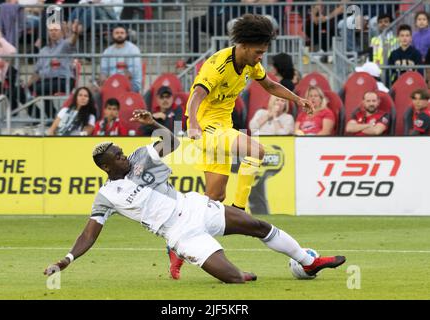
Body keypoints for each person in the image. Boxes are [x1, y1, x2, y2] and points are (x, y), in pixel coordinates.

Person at [43, 109, 346, 284]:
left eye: (122, 153)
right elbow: (89, 234)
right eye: (118, 157)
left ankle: (308, 261)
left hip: (194, 206)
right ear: (106, 166)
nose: (124, 157)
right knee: (236, 280)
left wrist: (152, 121)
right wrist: (66, 260)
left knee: (258, 226)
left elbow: (171, 140)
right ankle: (221, 267)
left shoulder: (139, 157)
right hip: (179, 233)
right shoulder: (106, 196)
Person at [179, 13, 313, 280]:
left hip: (223, 127)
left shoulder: (250, 64)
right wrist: (193, 124)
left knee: (213, 200)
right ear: (243, 45)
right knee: (258, 151)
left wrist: (297, 99)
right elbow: (196, 95)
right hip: (205, 127)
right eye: (259, 51)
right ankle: (239, 210)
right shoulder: (217, 65)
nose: (261, 56)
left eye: (264, 51)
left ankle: (178, 244)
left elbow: (270, 85)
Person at [25, 21, 81, 118]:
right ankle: (39, 117)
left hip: (64, 81)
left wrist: (75, 33)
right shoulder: (43, 51)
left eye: (56, 30)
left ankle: (53, 116)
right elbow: (37, 72)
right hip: (48, 81)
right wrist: (26, 85)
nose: (53, 32)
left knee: (39, 89)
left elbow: (72, 42)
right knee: (23, 91)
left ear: (61, 32)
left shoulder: (64, 45)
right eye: (51, 30)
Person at [99, 25, 142, 93]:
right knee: (93, 89)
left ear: (126, 35)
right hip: (112, 84)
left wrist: (115, 82)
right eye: (117, 33)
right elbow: (103, 72)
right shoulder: (107, 51)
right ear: (112, 35)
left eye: (122, 33)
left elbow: (131, 75)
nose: (119, 35)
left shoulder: (133, 49)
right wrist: (104, 80)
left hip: (131, 85)